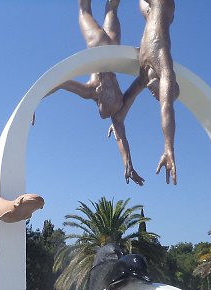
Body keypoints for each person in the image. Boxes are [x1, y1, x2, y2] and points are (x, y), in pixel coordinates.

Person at [46, 0, 144, 186]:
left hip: (106, 48)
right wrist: (128, 164)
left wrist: (35, 101)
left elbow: (60, 84)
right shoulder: (112, 106)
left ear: (99, 103)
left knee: (93, 9)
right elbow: (121, 137)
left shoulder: (91, 91)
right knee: (103, 8)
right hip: (108, 48)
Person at [114, 0, 179, 185]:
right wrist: (169, 148)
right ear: (167, 86)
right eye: (161, 94)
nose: (157, 97)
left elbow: (118, 117)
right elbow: (166, 107)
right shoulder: (164, 66)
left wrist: (127, 162)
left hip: (152, 16)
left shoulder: (144, 77)